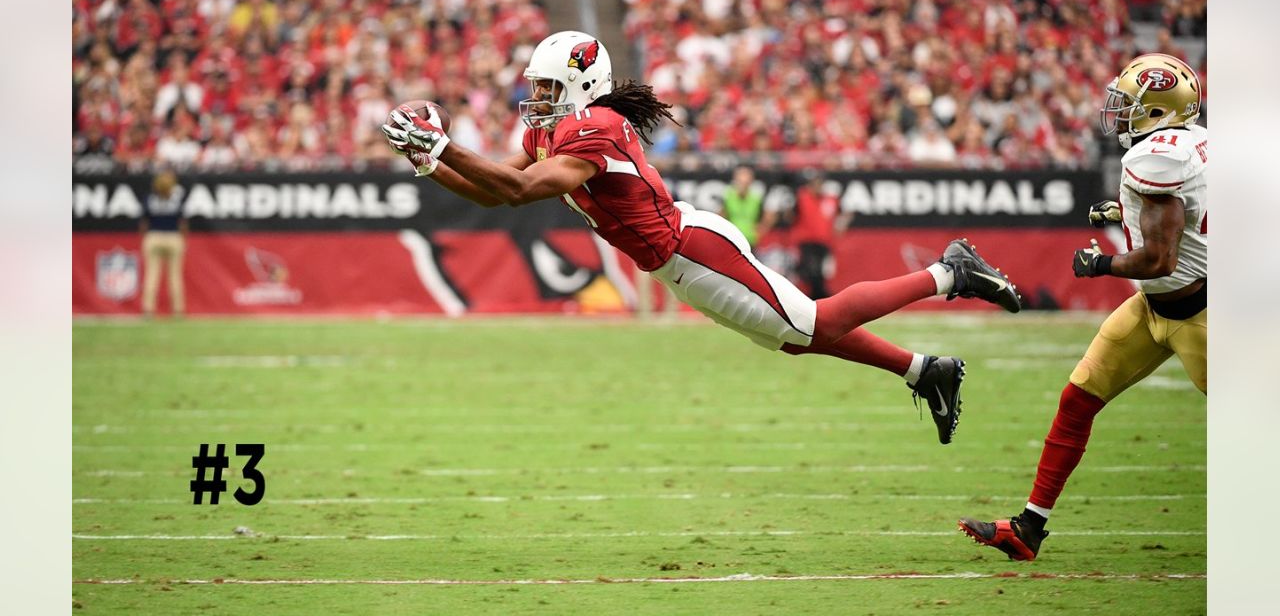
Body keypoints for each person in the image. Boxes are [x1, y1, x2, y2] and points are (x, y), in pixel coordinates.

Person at [382, 31, 1024, 444]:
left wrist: (443, 143)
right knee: (799, 339)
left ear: (581, 83)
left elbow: (518, 191)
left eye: (549, 86)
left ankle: (950, 273)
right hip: (681, 259)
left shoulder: (594, 127)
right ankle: (923, 370)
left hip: (692, 251)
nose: (539, 97)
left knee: (813, 323)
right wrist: (431, 163)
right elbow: (496, 190)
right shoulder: (553, 132)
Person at [959, 53, 1207, 559]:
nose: (1118, 112)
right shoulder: (1191, 144)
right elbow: (1182, 212)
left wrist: (1101, 266)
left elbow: (1159, 259)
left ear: (1160, 111)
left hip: (1201, 315)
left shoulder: (1157, 160)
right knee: (1078, 400)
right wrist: (1125, 210)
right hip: (1157, 307)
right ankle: (1029, 528)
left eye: (1131, 105)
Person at [790, 169, 846, 299]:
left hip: (823, 241)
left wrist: (839, 227)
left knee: (820, 271)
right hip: (807, 240)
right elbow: (792, 216)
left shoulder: (830, 199)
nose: (817, 187)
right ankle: (818, 295)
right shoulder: (801, 197)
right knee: (811, 269)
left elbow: (842, 214)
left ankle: (816, 296)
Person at [139, 169, 189, 318]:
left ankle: (148, 310)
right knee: (175, 276)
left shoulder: (149, 199)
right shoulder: (177, 199)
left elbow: (143, 223)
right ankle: (178, 310)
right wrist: (183, 238)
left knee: (151, 275)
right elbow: (183, 223)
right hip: (173, 237)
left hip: (153, 236)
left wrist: (146, 236)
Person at [719, 165, 768, 248]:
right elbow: (721, 216)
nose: (743, 184)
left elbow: (766, 218)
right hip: (732, 239)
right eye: (741, 180)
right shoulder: (728, 196)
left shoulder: (756, 199)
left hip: (750, 240)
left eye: (746, 181)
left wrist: (759, 232)